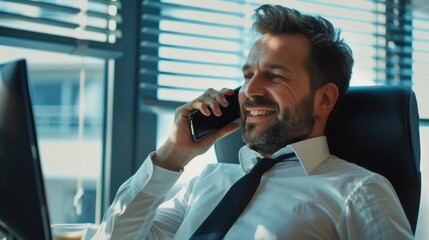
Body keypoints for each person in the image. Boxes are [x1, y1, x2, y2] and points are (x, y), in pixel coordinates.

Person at [93, 4, 413, 239]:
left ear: (324, 99)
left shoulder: (358, 192)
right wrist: (172, 155)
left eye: (274, 76)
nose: (250, 91)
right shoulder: (207, 181)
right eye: (247, 76)